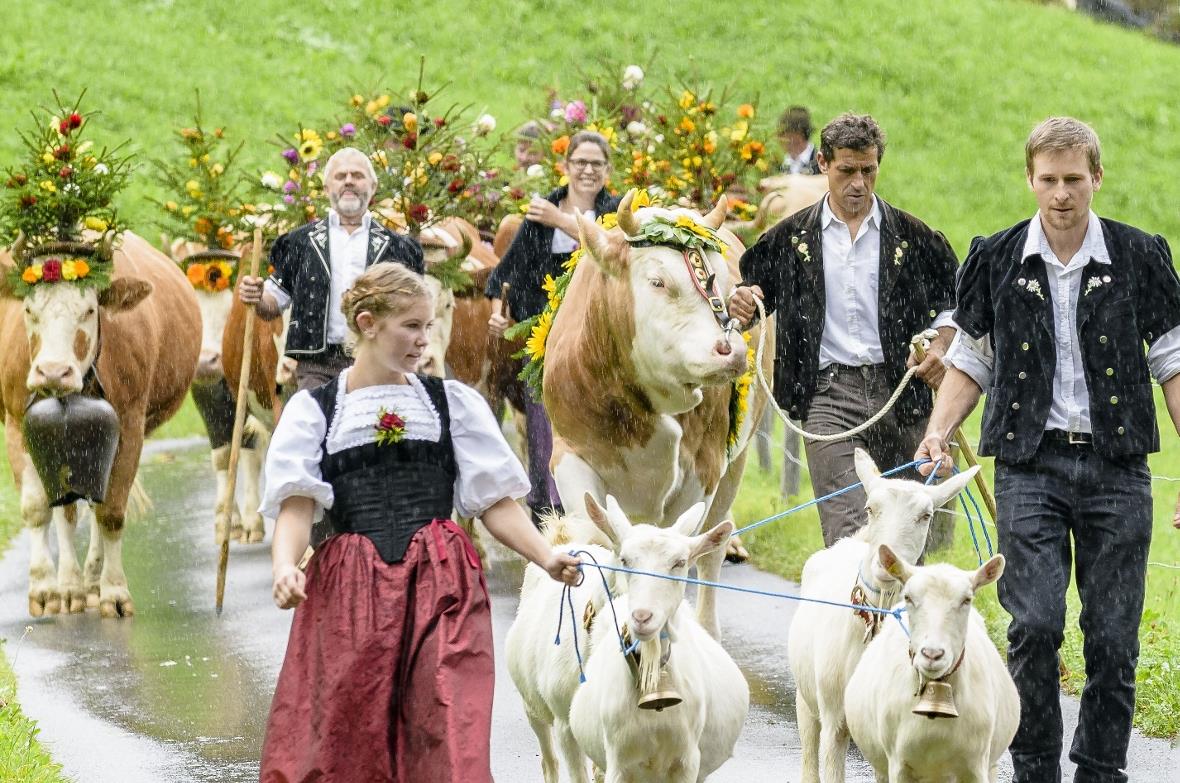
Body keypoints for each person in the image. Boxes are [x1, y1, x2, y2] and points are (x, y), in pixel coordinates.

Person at [917, 117, 1180, 783]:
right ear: (1029, 179)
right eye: (1048, 179)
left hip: (1118, 470)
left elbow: (1173, 363)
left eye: (1073, 179)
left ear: (1096, 177)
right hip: (1029, 467)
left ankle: (1098, 771)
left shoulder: (1141, 255)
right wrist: (937, 431)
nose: (1061, 193)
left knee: (1113, 639)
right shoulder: (998, 256)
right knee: (1033, 625)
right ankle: (1033, 768)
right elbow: (973, 359)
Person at [258, 262, 580, 782]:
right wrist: (284, 567)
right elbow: (296, 505)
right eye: (411, 326)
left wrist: (544, 557)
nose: (423, 341)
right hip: (352, 588)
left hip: (441, 578)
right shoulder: (314, 412)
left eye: (427, 326)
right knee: (350, 723)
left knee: (448, 715)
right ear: (367, 323)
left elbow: (494, 502)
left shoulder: (450, 404)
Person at [728, 112, 958, 546]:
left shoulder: (912, 237)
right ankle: (852, 612)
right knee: (848, 538)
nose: (858, 183)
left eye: (868, 171)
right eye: (847, 170)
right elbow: (755, 293)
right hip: (828, 399)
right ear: (823, 165)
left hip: (902, 393)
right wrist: (745, 302)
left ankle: (895, 614)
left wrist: (941, 343)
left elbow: (955, 300)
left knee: (906, 536)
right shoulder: (791, 239)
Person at [486, 130, 620, 525]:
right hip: (547, 336)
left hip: (600, 340)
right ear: (566, 166)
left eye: (596, 164)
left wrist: (561, 220)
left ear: (608, 170)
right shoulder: (540, 214)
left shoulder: (615, 212)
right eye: (580, 163)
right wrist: (499, 311)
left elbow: (610, 248)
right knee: (544, 419)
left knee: (600, 420)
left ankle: (601, 506)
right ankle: (551, 511)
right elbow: (502, 275)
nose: (588, 171)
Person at [237, 147, 425, 391]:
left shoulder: (398, 248)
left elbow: (416, 309)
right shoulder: (300, 243)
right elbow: (273, 302)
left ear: (373, 187)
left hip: (380, 362)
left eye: (357, 175)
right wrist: (257, 296)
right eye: (340, 176)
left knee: (376, 428)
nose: (348, 181)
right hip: (317, 366)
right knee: (319, 428)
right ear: (327, 189)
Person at [778, 105, 821, 175]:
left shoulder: (821, 162)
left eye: (783, 133)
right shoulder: (777, 164)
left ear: (798, 134)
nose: (778, 137)